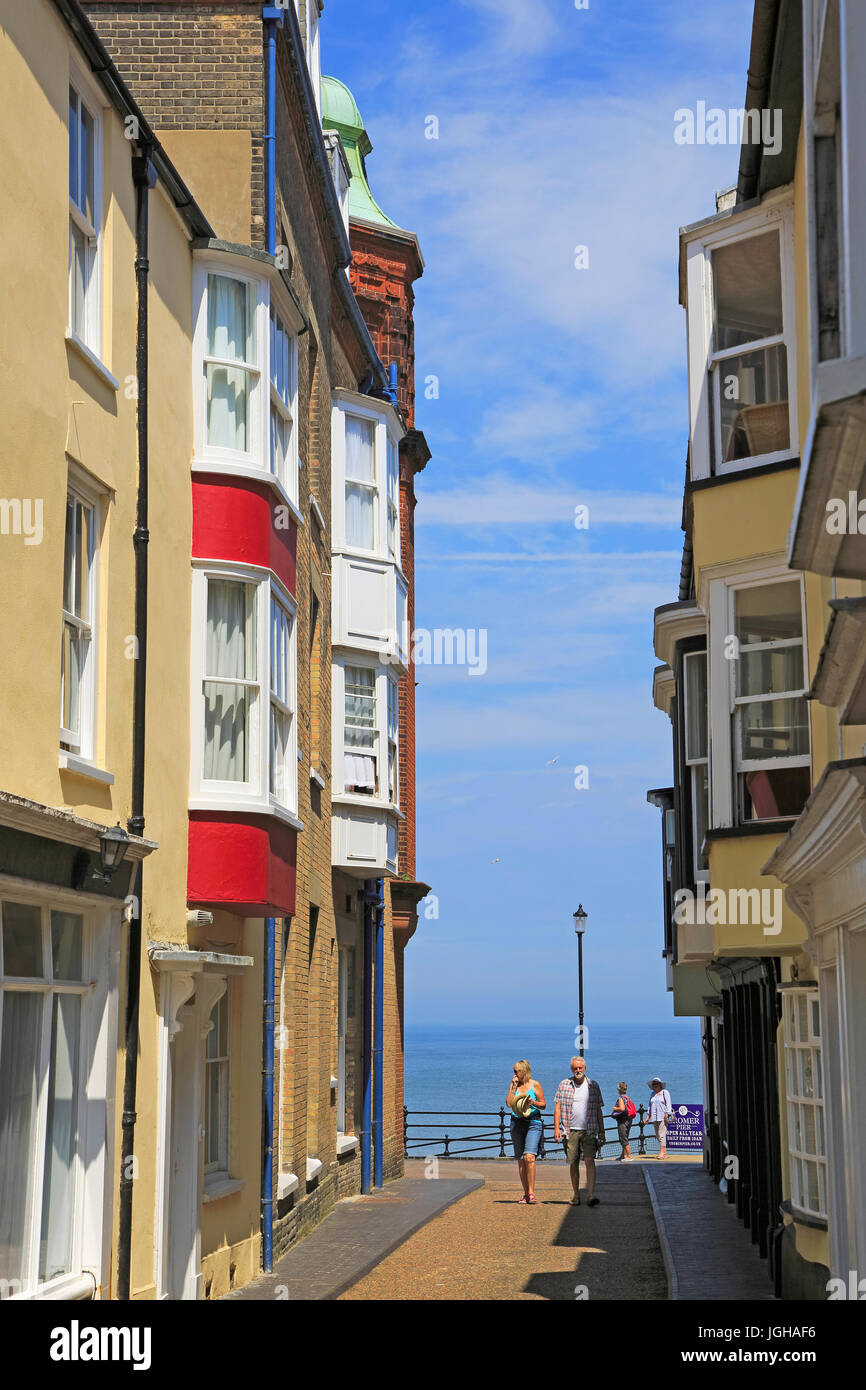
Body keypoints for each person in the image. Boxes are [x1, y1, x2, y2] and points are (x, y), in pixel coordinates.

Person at [553, 1056, 605, 1207]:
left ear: (585, 1068)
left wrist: (602, 1132)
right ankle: (576, 1194)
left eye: (580, 1068)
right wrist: (556, 1128)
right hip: (570, 1131)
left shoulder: (593, 1086)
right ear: (571, 1069)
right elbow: (558, 1107)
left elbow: (598, 1110)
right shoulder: (564, 1084)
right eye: (575, 1068)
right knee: (573, 1163)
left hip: (589, 1130)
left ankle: (590, 1194)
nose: (578, 1070)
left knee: (590, 1160)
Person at [506, 1060, 546, 1204]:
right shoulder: (513, 1085)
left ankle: (531, 1192)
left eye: (517, 1071)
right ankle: (525, 1194)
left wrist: (533, 1103)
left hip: (533, 1122)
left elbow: (543, 1105)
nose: (515, 1074)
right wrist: (513, 1088)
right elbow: (509, 1104)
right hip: (516, 1122)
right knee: (521, 1160)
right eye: (514, 1071)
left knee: (529, 1157)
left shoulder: (535, 1084)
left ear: (524, 1072)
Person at [647, 1076, 673, 1159]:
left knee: (662, 1134)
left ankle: (661, 1152)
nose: (655, 1085)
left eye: (657, 1084)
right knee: (658, 1135)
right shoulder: (652, 1094)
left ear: (660, 1084)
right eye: (654, 1084)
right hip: (654, 1117)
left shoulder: (665, 1092)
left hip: (662, 1116)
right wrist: (648, 1116)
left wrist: (667, 1114)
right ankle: (664, 1152)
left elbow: (668, 1103)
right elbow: (649, 1106)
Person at [611, 1081, 634, 1161]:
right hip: (629, 1119)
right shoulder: (627, 1098)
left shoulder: (621, 1098)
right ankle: (623, 1155)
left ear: (619, 1089)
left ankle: (629, 1155)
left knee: (623, 1137)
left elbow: (622, 1108)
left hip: (622, 1121)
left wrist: (615, 1108)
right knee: (625, 1136)